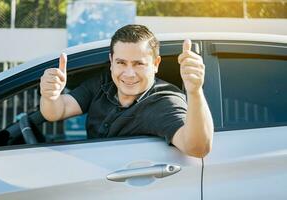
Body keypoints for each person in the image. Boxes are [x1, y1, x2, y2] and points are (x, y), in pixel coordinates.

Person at [40, 24, 214, 158]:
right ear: (111, 61)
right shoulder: (103, 83)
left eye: (138, 64)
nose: (129, 74)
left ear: (155, 64)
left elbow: (197, 148)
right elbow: (56, 111)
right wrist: (49, 95)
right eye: (121, 63)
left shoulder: (164, 102)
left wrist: (195, 92)